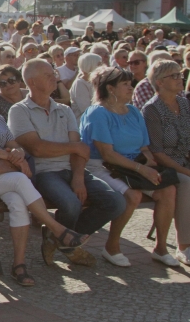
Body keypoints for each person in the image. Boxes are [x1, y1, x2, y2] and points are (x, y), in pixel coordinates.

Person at [0, 67, 90, 286]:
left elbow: (13, 144)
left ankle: (19, 264)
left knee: (17, 202)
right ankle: (57, 229)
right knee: (20, 180)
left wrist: (16, 152)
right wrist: (7, 155)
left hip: (0, 176)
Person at [10, 60, 125, 268]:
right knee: (71, 203)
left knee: (116, 202)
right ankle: (67, 242)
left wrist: (79, 177)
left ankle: (59, 238)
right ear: (32, 82)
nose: (55, 77)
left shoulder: (64, 109)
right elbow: (36, 148)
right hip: (44, 172)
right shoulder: (19, 111)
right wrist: (72, 148)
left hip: (72, 169)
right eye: (47, 75)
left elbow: (80, 149)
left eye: (53, 72)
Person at [81, 67, 179, 268]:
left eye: (130, 83)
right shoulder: (98, 113)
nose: (131, 87)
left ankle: (161, 249)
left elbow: (144, 147)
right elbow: (107, 154)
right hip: (102, 166)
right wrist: (142, 170)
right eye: (125, 84)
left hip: (133, 166)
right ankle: (112, 246)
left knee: (167, 189)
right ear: (110, 88)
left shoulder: (134, 111)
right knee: (132, 196)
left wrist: (152, 166)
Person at [142, 60, 190, 266]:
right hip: (165, 165)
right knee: (186, 183)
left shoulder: (185, 103)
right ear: (160, 82)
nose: (181, 79)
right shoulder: (152, 109)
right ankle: (184, 246)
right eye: (175, 76)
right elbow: (157, 152)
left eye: (180, 74)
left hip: (186, 160)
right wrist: (186, 171)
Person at [69, 53, 102, 120]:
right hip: (86, 120)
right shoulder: (79, 84)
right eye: (99, 64)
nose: (102, 67)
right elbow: (86, 109)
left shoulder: (97, 81)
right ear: (90, 66)